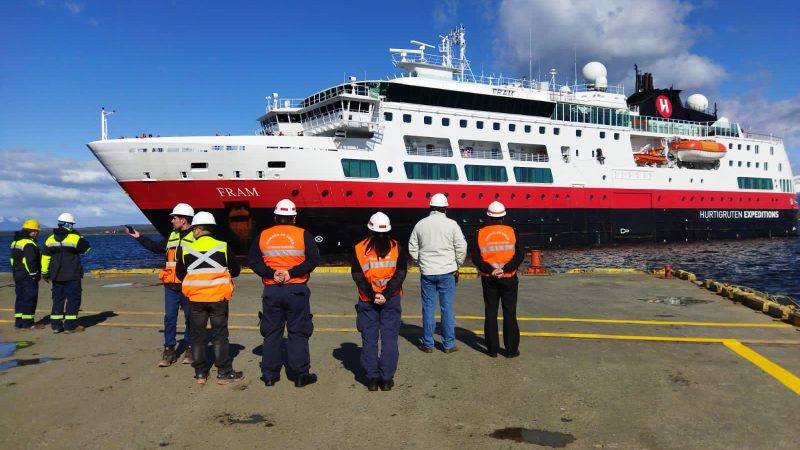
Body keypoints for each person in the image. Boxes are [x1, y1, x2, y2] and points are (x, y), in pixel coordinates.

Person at [249, 199, 320, 388]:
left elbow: (254, 261)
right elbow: (313, 259)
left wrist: (272, 274)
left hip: (272, 289)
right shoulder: (303, 234)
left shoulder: (263, 236)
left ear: (275, 216)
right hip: (296, 289)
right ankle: (299, 375)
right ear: (294, 218)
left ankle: (270, 375)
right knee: (298, 331)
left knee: (272, 332)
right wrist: (291, 273)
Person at [175, 211, 243, 385]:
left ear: (197, 229)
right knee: (220, 335)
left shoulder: (185, 249)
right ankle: (224, 373)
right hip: (218, 298)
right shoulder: (222, 246)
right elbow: (235, 270)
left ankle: (200, 374)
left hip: (196, 299)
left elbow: (180, 274)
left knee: (197, 336)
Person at [126, 203, 195, 367]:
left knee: (191, 319)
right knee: (169, 318)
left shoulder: (196, 237)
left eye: (175, 218)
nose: (172, 221)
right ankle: (169, 349)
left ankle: (191, 348)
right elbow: (156, 247)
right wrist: (138, 236)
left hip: (189, 286)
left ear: (183, 220)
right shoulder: (172, 236)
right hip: (170, 286)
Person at [351, 212, 407, 391]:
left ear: (370, 229)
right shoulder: (397, 247)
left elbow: (357, 275)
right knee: (390, 338)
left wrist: (372, 294)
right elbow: (401, 272)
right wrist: (387, 293)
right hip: (390, 299)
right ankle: (386, 379)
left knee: (369, 338)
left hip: (368, 300)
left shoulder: (359, 249)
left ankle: (373, 379)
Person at [408, 193, 467, 353]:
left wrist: (419, 262)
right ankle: (448, 344)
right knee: (447, 308)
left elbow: (412, 246)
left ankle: (428, 344)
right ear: (445, 208)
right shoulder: (452, 224)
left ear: (431, 207)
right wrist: (458, 264)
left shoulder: (420, 224)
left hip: (427, 272)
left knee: (428, 307)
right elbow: (461, 246)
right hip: (447, 271)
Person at [471, 201, 525, 358]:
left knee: (491, 312)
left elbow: (476, 258)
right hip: (508, 277)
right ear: (503, 216)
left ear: (488, 216)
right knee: (509, 313)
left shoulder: (479, 233)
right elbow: (519, 255)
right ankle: (511, 351)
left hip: (489, 278)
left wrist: (491, 270)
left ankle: (492, 350)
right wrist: (505, 269)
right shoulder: (512, 232)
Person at [41, 213, 91, 334]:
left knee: (57, 300)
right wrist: (81, 238)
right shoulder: (74, 238)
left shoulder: (50, 239)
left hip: (56, 275)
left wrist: (44, 272)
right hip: (72, 274)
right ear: (69, 224)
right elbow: (87, 250)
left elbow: (45, 257)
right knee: (73, 300)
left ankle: (56, 326)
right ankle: (70, 326)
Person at [10, 219, 44, 329]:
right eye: (36, 231)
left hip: (18, 275)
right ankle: (28, 323)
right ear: (32, 231)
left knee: (20, 298)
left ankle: (19, 321)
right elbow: (30, 261)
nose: (37, 233)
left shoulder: (16, 242)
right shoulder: (29, 243)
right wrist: (34, 274)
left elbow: (13, 260)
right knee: (30, 298)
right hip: (28, 276)